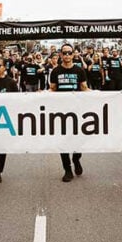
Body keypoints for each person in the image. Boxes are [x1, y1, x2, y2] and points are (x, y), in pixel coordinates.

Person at [49, 43, 90, 182]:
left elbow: (84, 88)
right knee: (63, 141)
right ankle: (67, 169)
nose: (66, 55)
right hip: (60, 113)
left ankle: (76, 158)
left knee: (79, 140)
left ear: (73, 54)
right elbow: (52, 89)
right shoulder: (55, 71)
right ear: (60, 55)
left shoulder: (79, 71)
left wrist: (99, 94)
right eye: (64, 53)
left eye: (69, 53)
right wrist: (41, 94)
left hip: (78, 112)